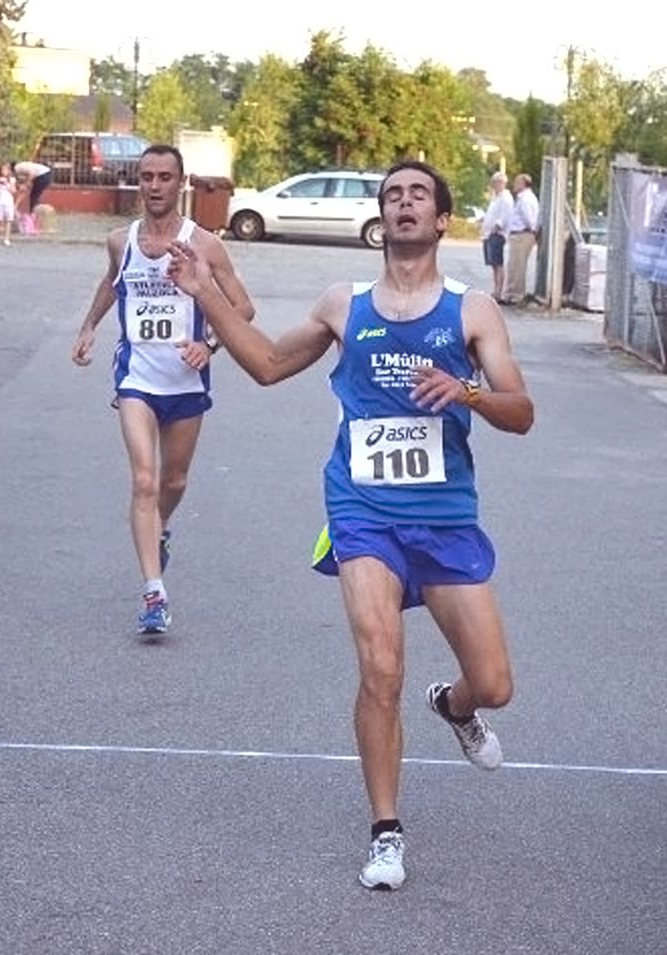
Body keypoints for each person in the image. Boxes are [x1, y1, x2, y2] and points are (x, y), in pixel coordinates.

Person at [166, 159, 534, 890]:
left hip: (445, 514)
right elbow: (269, 363)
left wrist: (467, 392)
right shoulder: (345, 303)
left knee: (494, 683)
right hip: (362, 510)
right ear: (382, 219)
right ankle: (386, 831)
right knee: (380, 665)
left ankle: (453, 705)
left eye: (417, 196)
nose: (402, 205)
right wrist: (205, 292)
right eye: (392, 195)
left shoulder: (471, 310)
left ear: (439, 220)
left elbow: (520, 410)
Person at [71, 144, 254, 635]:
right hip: (136, 379)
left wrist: (209, 344)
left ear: (180, 183)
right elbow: (113, 282)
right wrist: (89, 326)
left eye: (164, 177)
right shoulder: (120, 240)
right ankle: (154, 592)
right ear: (140, 182)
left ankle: (160, 530)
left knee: (173, 483)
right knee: (145, 482)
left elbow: (244, 308)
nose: (154, 185)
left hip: (187, 381)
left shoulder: (205, 244)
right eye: (146, 176)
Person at [504, 173, 540, 305]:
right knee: (513, 265)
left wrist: (532, 230)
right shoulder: (525, 197)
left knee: (518, 265)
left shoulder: (525, 198)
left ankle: (516, 295)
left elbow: (529, 218)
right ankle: (510, 292)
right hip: (519, 234)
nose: (514, 184)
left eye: (517, 182)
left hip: (522, 234)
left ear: (523, 184)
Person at [481, 171, 514, 302]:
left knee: (498, 263)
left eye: (495, 182)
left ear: (501, 183)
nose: (494, 185)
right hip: (489, 234)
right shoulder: (496, 197)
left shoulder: (506, 198)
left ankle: (499, 291)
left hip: (497, 234)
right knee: (493, 264)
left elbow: (506, 216)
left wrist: (496, 227)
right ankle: (496, 290)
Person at [0, 161, 18, 246]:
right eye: (2, 169)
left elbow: (14, 191)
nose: (4, 171)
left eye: (6, 169)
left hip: (8, 202)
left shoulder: (12, 180)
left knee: (8, 220)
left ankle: (6, 238)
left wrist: (7, 184)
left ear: (9, 171)